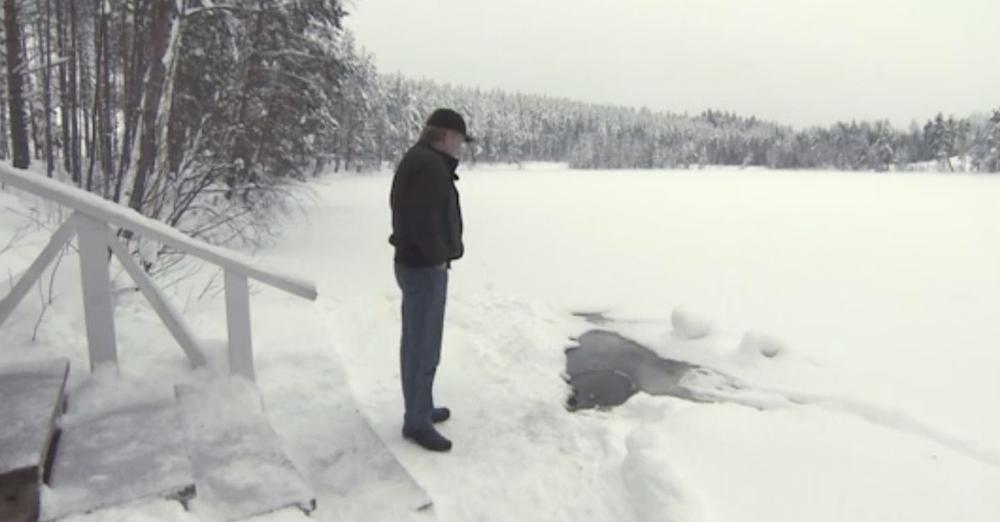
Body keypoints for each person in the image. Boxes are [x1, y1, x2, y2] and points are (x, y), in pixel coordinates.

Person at [389, 108, 473, 452]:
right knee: (422, 346)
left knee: (422, 342)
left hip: (420, 265)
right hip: (423, 268)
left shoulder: (425, 161)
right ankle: (416, 421)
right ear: (447, 136)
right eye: (461, 140)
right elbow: (423, 221)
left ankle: (421, 407)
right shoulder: (428, 166)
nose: (462, 147)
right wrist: (439, 255)